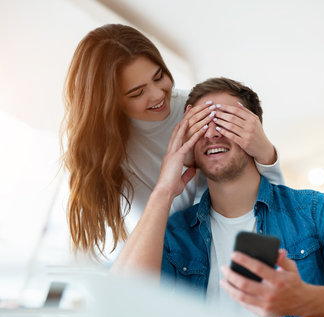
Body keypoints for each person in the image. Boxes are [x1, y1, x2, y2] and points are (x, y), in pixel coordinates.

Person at [113, 78, 324, 317]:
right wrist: (163, 191)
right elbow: (119, 308)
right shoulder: (171, 236)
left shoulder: (319, 214)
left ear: (254, 132)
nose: (212, 133)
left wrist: (303, 300)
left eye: (225, 121)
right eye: (201, 124)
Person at [62, 24, 283, 257]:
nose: (158, 95)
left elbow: (269, 198)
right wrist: (186, 167)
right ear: (109, 101)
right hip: (182, 260)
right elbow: (165, 231)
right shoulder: (113, 153)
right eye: (137, 93)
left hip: (247, 239)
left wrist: (266, 153)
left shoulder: (198, 106)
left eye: (159, 77)